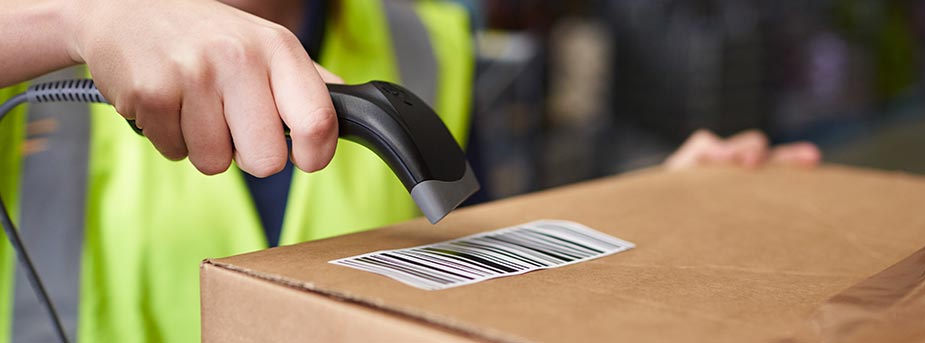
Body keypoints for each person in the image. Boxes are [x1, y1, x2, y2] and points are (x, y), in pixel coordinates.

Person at [0, 0, 818, 341]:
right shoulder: (47, 46)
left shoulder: (424, 38)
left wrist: (659, 212)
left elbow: (482, 261)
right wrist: (76, 17)